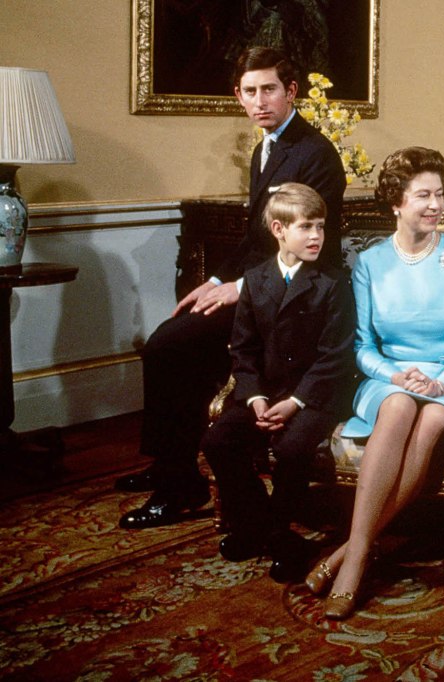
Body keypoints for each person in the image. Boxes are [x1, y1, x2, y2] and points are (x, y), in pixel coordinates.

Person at [117, 46, 347, 530]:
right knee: (170, 339)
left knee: (170, 346)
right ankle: (174, 467)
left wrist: (241, 288)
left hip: (291, 298)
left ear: (291, 92)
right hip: (257, 285)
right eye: (249, 92)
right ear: (238, 97)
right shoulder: (266, 147)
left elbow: (311, 246)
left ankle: (180, 483)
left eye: (269, 90)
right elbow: (255, 236)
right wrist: (217, 281)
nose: (259, 101)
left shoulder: (315, 153)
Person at [304, 148, 444, 620]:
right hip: (388, 376)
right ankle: (356, 561)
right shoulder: (370, 263)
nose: (435, 205)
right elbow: (362, 345)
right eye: (423, 195)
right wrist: (394, 375)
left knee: (428, 421)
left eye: (440, 195)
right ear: (396, 203)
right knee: (397, 408)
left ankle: (347, 555)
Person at [199, 183, 355, 582]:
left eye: (320, 226)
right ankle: (260, 526)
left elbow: (334, 357)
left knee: (291, 447)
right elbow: (244, 350)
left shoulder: (333, 283)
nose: (316, 236)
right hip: (263, 393)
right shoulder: (255, 279)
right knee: (218, 440)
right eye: (306, 227)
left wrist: (296, 402)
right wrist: (253, 398)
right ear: (278, 229)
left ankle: (280, 532)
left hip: (316, 395)